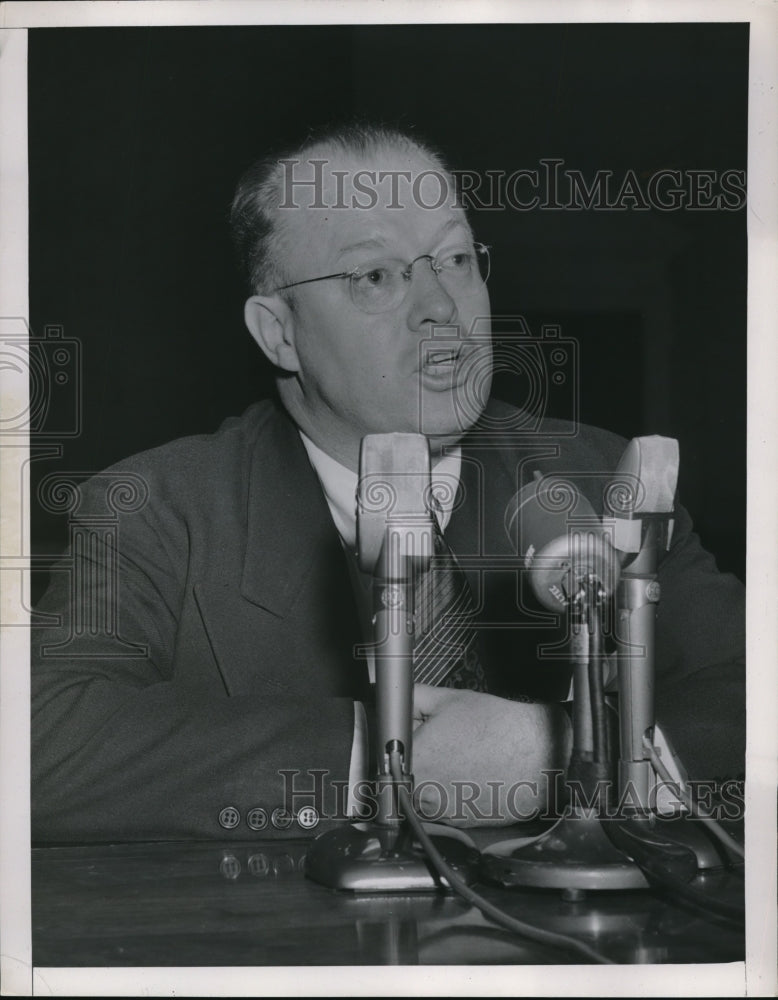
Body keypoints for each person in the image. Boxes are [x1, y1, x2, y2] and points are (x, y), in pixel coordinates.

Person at [31, 124, 745, 843]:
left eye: (456, 259)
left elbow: (754, 693)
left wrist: (565, 754)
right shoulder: (154, 510)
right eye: (374, 276)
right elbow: (38, 744)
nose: (441, 305)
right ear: (280, 333)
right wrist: (383, 762)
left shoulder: (600, 475)